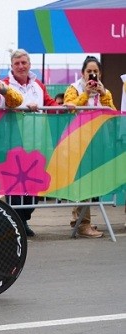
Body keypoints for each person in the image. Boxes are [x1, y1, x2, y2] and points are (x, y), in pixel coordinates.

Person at [3, 49, 60, 237]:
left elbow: (50, 103)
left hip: (37, 142)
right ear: (11, 66)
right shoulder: (4, 84)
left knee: (35, 186)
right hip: (13, 143)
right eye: (17, 63)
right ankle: (16, 223)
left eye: (24, 63)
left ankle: (24, 219)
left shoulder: (38, 85)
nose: (21, 66)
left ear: (29, 64)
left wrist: (65, 107)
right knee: (16, 186)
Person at [62, 55, 116, 238]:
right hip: (79, 142)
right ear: (83, 73)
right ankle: (83, 224)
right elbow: (68, 107)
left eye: (95, 72)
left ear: (100, 73)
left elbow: (113, 112)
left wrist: (103, 95)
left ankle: (79, 221)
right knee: (85, 183)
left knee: (91, 183)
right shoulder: (74, 89)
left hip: (98, 142)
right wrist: (85, 94)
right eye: (89, 71)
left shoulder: (104, 91)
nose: (92, 75)